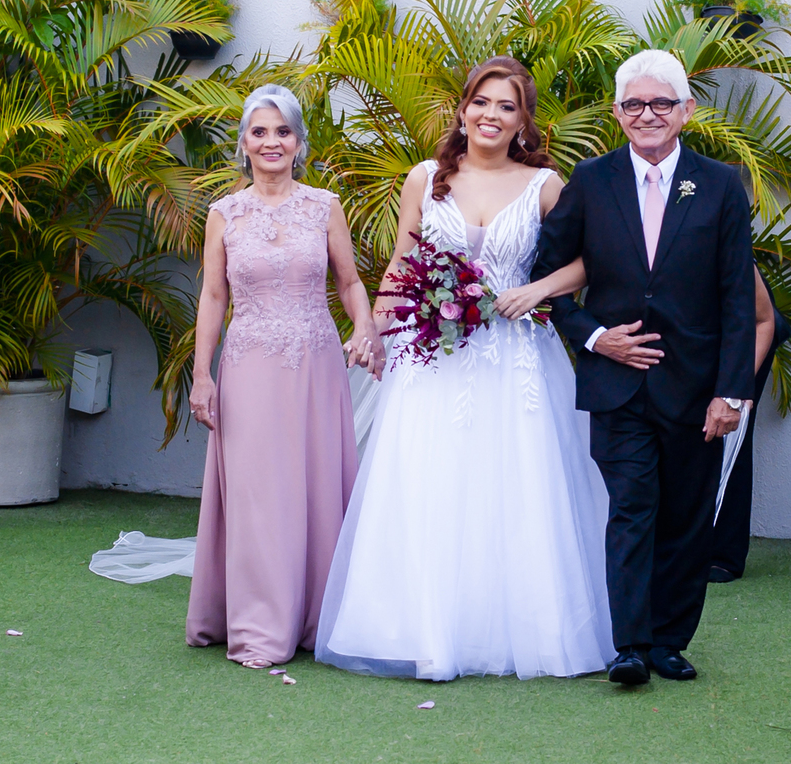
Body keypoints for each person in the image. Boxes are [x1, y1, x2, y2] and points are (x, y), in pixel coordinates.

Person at [315, 57, 616, 681]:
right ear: (463, 108)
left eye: (507, 106)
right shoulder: (426, 178)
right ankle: (420, 628)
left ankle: (522, 631)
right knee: (431, 482)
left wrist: (536, 291)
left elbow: (591, 261)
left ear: (523, 121)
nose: (491, 115)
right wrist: (373, 326)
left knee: (519, 487)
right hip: (433, 358)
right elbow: (403, 258)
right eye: (482, 102)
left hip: (518, 360)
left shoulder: (545, 185)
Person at [531, 49, 755, 685]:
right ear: (617, 112)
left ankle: (668, 642)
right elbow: (543, 279)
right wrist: (595, 337)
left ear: (686, 110)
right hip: (616, 388)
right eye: (634, 104)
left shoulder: (719, 185)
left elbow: (738, 297)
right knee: (631, 508)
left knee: (686, 518)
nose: (647, 114)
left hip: (696, 387)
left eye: (661, 103)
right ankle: (629, 644)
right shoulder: (592, 181)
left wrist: (731, 393)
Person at [185, 84, 384, 669]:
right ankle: (258, 627)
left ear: (299, 143)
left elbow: (349, 281)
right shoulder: (224, 214)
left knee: (317, 487)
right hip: (247, 364)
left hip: (315, 364)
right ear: (243, 143)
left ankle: (319, 617)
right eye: (259, 131)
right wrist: (202, 375)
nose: (272, 142)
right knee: (256, 495)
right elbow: (212, 296)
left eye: (283, 132)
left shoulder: (324, 206)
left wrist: (365, 327)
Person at [709, 266, 791, 583]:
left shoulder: (716, 222)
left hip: (745, 328)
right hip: (695, 326)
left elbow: (762, 318)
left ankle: (724, 556)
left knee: (732, 434)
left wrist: (739, 386)